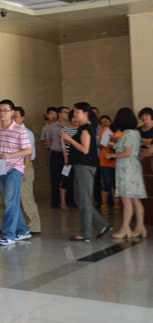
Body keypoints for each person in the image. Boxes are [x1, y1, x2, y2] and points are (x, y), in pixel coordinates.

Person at [60, 102, 111, 242]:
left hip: (85, 166)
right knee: (79, 198)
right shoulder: (83, 128)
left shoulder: (85, 129)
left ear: (85, 114)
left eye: (77, 111)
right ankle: (102, 226)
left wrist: (68, 138)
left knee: (84, 199)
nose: (74, 114)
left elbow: (85, 149)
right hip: (81, 166)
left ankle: (85, 233)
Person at [0, 100, 33, 246]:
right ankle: (23, 230)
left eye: (5, 110)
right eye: (0, 110)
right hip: (1, 169)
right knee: (10, 202)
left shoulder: (20, 130)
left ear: (12, 112)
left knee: (10, 202)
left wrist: (11, 155)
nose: (2, 113)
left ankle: (9, 234)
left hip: (15, 169)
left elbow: (28, 150)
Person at [106, 108, 147, 239]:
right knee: (135, 199)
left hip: (126, 168)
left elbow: (126, 153)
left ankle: (125, 228)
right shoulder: (135, 133)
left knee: (126, 199)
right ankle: (140, 227)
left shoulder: (127, 134)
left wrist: (112, 154)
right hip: (133, 167)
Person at [14, 106, 41, 235]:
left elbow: (28, 154)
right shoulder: (10, 132)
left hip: (25, 167)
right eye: (12, 117)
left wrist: (24, 171)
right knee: (13, 199)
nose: (13, 119)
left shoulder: (26, 133)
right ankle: (14, 225)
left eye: (16, 117)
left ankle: (35, 226)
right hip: (13, 168)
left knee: (26, 197)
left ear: (23, 118)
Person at [97, 114, 119, 216]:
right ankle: (104, 204)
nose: (104, 124)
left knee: (116, 184)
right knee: (106, 182)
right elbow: (99, 144)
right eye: (102, 123)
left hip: (117, 160)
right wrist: (110, 143)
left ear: (111, 121)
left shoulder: (120, 131)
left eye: (106, 122)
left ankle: (116, 205)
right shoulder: (106, 130)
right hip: (105, 160)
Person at [40, 106, 59, 207]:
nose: (54, 116)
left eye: (55, 114)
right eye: (51, 114)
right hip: (50, 152)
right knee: (53, 175)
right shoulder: (45, 128)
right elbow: (42, 141)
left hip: (60, 151)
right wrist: (46, 143)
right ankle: (55, 199)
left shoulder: (62, 126)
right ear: (47, 115)